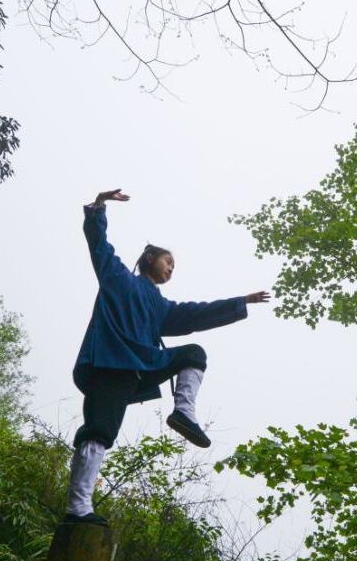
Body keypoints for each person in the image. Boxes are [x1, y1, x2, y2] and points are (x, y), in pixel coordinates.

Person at [64, 188, 270, 525]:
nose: (171, 268)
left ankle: (183, 413)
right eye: (168, 261)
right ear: (149, 260)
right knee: (100, 430)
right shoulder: (117, 278)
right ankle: (78, 508)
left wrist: (240, 302)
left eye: (174, 265)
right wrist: (99, 206)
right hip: (110, 366)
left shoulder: (161, 305)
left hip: (143, 366)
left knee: (193, 353)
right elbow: (98, 244)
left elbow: (196, 314)